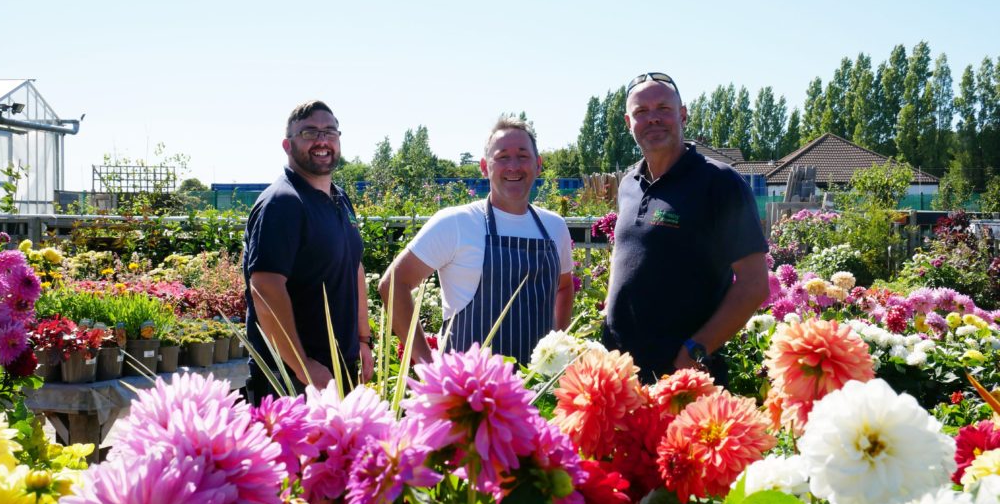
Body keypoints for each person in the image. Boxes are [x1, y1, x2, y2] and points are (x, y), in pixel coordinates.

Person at [602, 72, 769, 383]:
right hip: (621, 373)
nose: (653, 118)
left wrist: (694, 351)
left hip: (682, 377)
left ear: (682, 115)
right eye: (641, 111)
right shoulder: (628, 184)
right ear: (628, 123)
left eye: (663, 108)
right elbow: (626, 256)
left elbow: (754, 283)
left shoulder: (719, 182)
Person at [380, 117, 575, 365]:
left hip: (537, 386)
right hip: (468, 387)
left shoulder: (554, 227)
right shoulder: (456, 223)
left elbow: (564, 286)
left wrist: (558, 350)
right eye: (502, 157)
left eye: (523, 155)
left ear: (538, 165)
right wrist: (426, 364)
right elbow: (393, 284)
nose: (513, 166)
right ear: (484, 167)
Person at [243, 100, 373, 400]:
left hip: (339, 366)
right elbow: (265, 288)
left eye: (330, 132)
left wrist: (363, 340)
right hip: (292, 377)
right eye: (309, 132)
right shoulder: (282, 203)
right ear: (287, 145)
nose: (322, 140)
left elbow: (354, 266)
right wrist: (303, 365)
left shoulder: (340, 198)